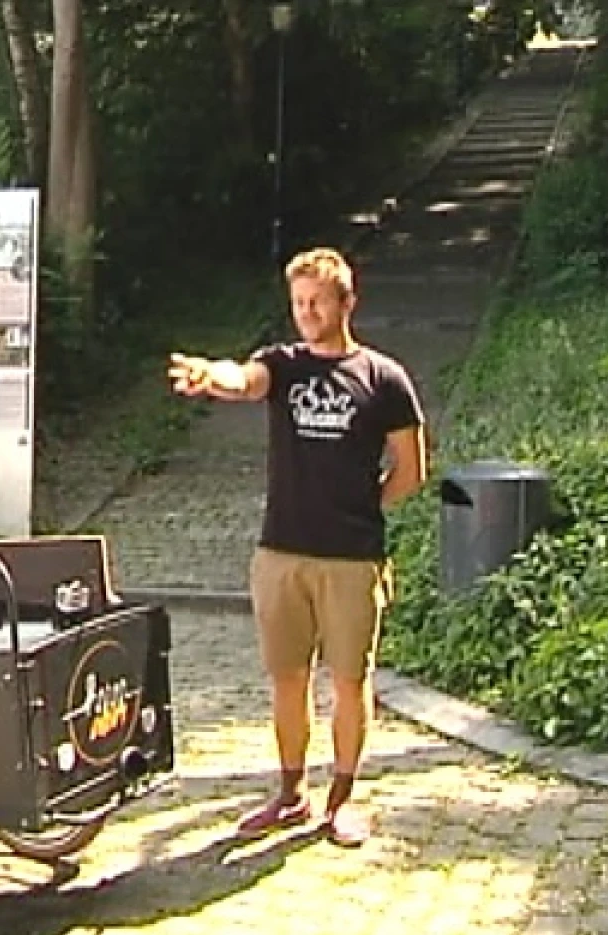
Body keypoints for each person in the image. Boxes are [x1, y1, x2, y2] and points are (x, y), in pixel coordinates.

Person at [165, 247, 427, 847]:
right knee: (287, 679)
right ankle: (290, 793)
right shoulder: (282, 365)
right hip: (280, 555)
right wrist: (214, 376)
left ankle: (345, 796)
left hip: (352, 560)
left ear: (346, 303)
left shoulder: (383, 378)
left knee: (349, 682)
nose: (307, 313)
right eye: (299, 303)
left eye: (318, 302)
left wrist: (362, 507)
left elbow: (412, 469)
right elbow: (244, 379)